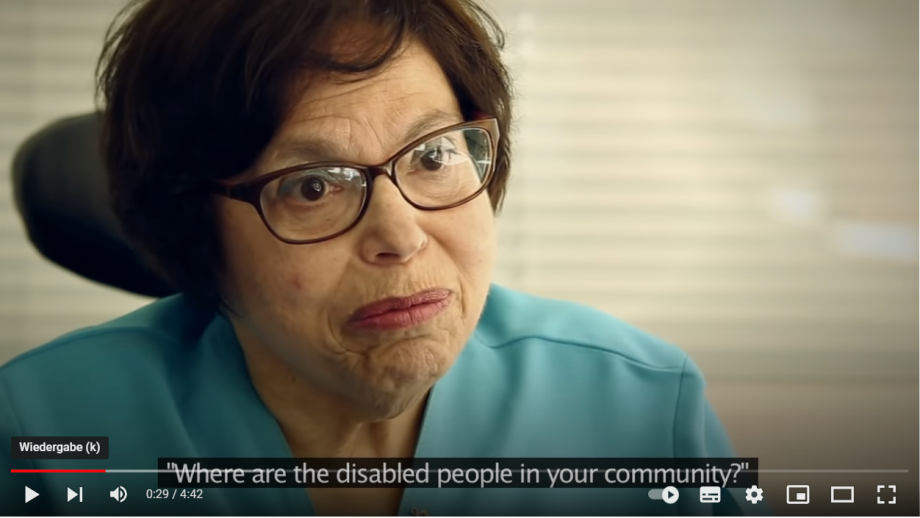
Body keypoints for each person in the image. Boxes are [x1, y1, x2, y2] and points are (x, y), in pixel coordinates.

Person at [0, 0, 762, 515]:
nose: (400, 236)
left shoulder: (640, 405)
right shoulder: (43, 431)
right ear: (194, 232)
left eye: (433, 154)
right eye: (311, 186)